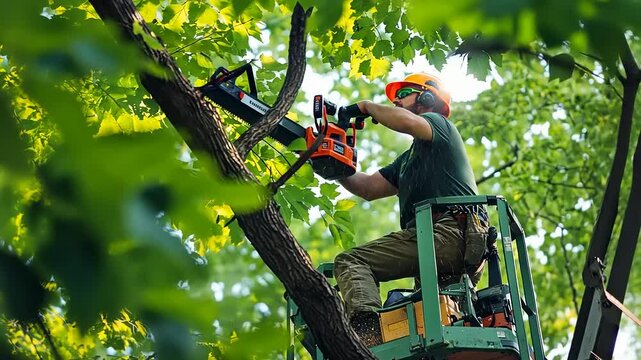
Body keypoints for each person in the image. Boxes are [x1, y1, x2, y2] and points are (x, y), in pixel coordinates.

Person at [333, 73, 486, 346]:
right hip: (444, 246)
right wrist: (332, 164)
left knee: (352, 261)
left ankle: (365, 334)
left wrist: (366, 107)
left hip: (448, 232)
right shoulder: (407, 161)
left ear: (427, 96)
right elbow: (367, 188)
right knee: (429, 324)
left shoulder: (440, 126)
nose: (397, 102)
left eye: (403, 94)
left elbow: (405, 122)